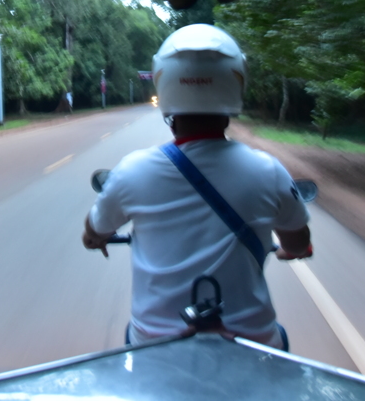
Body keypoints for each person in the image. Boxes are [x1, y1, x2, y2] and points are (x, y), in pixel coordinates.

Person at [82, 24, 312, 350]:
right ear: (237, 83)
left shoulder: (131, 172)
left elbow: (93, 231)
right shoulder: (268, 171)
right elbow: (299, 241)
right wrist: (295, 249)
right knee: (279, 345)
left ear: (164, 81)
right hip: (252, 341)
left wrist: (96, 238)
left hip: (155, 344)